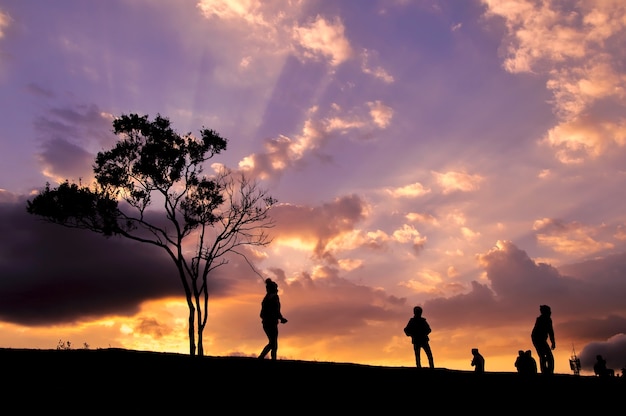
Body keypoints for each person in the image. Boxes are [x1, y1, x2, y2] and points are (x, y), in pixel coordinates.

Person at [258, 278, 288, 360]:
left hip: (265, 323)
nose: (277, 290)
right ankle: (263, 357)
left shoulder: (266, 299)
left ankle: (270, 358)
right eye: (276, 288)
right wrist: (281, 318)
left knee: (273, 342)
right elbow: (276, 310)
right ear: (273, 289)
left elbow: (263, 313)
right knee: (273, 343)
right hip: (271, 323)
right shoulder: (275, 298)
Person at [531, 304, 555, 374]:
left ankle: (548, 371)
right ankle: (545, 371)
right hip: (537, 339)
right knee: (543, 356)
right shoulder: (542, 320)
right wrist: (553, 342)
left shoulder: (547, 320)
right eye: (549, 311)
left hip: (541, 339)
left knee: (548, 356)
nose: (550, 313)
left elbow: (550, 332)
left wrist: (553, 342)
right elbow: (550, 331)